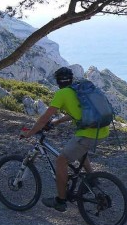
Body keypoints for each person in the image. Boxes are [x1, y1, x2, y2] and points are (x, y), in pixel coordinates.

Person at [20, 67, 110, 212]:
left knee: (61, 160)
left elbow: (44, 117)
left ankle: (60, 201)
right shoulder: (77, 89)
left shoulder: (61, 93)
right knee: (79, 150)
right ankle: (92, 180)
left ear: (57, 81)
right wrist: (57, 122)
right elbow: (77, 112)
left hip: (89, 134)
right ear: (71, 79)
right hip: (103, 130)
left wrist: (30, 133)